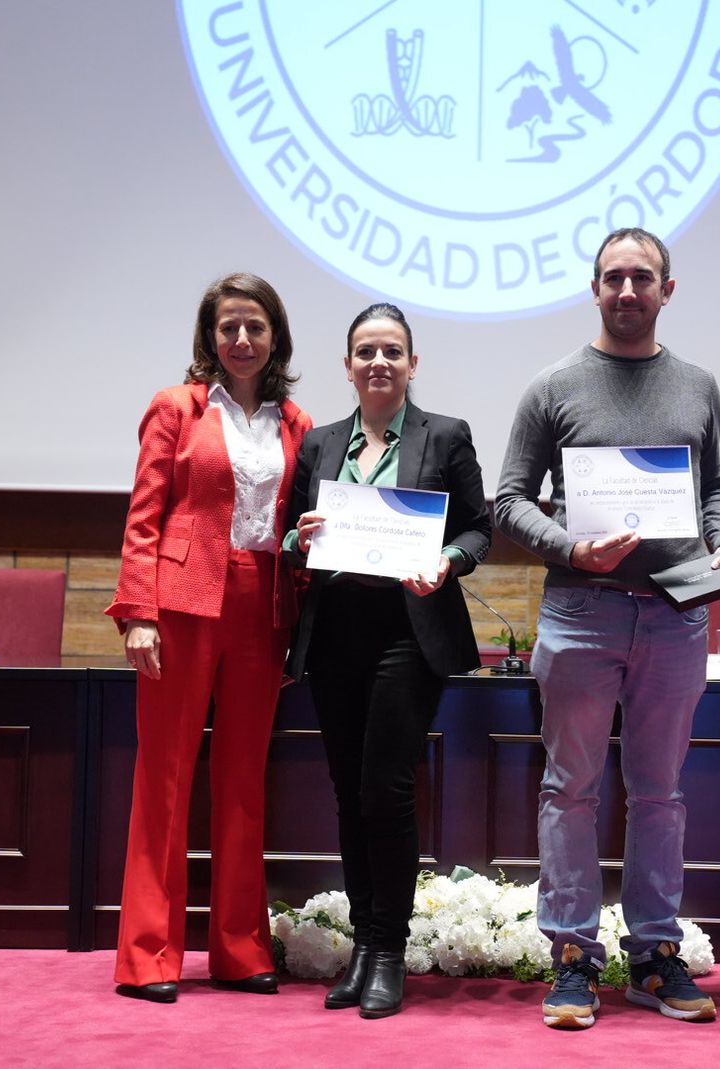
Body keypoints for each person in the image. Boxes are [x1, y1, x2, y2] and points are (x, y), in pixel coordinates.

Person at [494, 228, 720, 1030]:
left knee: (662, 792)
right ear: (593, 288)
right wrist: (573, 546)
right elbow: (508, 500)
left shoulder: (699, 385)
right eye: (614, 278)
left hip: (678, 614)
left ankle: (653, 955)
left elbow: (714, 488)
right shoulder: (553, 386)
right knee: (570, 789)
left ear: (668, 289)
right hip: (579, 611)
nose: (628, 290)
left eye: (643, 277)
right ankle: (570, 959)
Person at [105, 272, 312, 1004]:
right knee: (164, 777)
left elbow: (297, 527)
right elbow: (144, 515)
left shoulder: (297, 422)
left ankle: (239, 947)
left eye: (255, 326)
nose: (242, 340)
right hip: (182, 601)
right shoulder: (175, 408)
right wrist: (137, 611)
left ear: (276, 336)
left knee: (243, 782)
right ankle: (148, 953)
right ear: (210, 337)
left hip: (264, 606)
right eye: (228, 327)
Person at [284, 303, 491, 1019]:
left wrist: (449, 559)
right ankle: (364, 949)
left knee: (386, 786)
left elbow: (478, 525)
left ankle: (387, 950)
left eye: (392, 351)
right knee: (348, 789)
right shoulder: (319, 443)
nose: (379, 362)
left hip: (409, 630)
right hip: (335, 630)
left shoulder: (446, 435)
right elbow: (289, 533)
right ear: (347, 365)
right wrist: (298, 536)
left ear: (412, 362)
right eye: (366, 351)